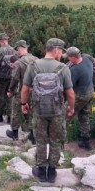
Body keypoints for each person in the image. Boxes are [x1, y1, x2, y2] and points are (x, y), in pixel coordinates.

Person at [20, 38, 75, 182]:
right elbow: (69, 93)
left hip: (38, 111)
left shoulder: (33, 66)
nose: (62, 54)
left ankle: (41, 170)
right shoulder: (63, 68)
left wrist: (23, 104)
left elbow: (25, 89)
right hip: (57, 112)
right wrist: (71, 107)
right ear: (55, 49)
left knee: (41, 140)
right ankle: (52, 171)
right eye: (61, 51)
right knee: (56, 140)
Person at [66, 47, 95, 150]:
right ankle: (86, 142)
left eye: (69, 57)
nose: (68, 59)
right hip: (90, 92)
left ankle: (58, 141)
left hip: (79, 96)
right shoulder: (86, 57)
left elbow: (68, 86)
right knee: (84, 117)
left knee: (64, 116)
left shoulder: (75, 69)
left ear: (73, 57)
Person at [7, 40, 36, 143]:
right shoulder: (36, 60)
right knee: (32, 112)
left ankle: (14, 134)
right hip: (34, 91)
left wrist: (10, 90)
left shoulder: (19, 62)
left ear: (19, 48)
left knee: (16, 111)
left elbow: (14, 78)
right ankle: (33, 135)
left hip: (22, 90)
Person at [0, 33, 16, 123]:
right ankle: (10, 117)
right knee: (10, 96)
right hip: (12, 77)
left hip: (1, 78)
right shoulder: (14, 51)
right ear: (7, 40)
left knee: (0, 97)